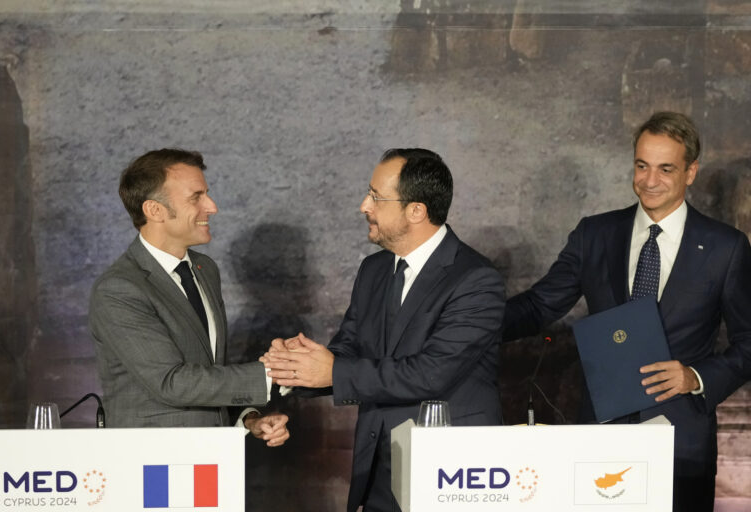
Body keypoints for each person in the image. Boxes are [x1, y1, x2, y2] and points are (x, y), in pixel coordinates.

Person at [503, 111, 751, 511]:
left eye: (665, 168)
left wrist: (696, 377)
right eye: (641, 166)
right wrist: (466, 321)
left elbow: (749, 343)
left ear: (691, 172)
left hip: (680, 442)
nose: (649, 181)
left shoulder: (726, 247)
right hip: (599, 435)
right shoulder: (595, 235)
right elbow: (538, 305)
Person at [263, 148, 505, 512]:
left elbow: (431, 373)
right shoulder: (374, 269)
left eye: (376, 197)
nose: (364, 206)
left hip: (454, 476)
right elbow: (349, 349)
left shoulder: (475, 279)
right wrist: (295, 368)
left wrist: (331, 369)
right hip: (379, 471)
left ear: (416, 210)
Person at [89, 148, 289, 446]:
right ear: (154, 210)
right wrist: (275, 375)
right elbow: (171, 382)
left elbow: (209, 372)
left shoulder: (205, 269)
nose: (212, 206)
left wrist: (248, 419)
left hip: (210, 460)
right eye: (196, 197)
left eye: (207, 194)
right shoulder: (119, 289)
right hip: (150, 464)